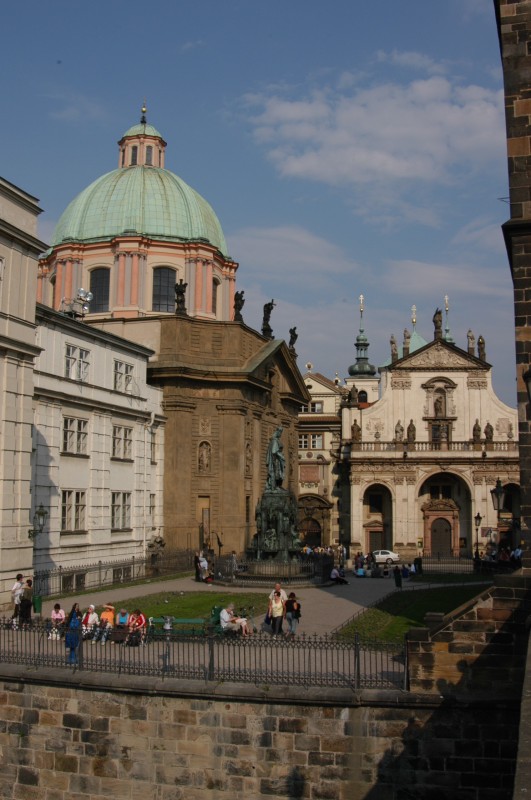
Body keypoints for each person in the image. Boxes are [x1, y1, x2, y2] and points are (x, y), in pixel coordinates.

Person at [266, 426, 285, 490]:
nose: (280, 435)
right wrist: (281, 456)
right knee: (278, 473)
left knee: (279, 474)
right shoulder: (274, 441)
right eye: (280, 433)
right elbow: (274, 451)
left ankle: (277, 486)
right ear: (278, 432)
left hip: (277, 460)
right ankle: (276, 486)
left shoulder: (274, 440)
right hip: (276, 460)